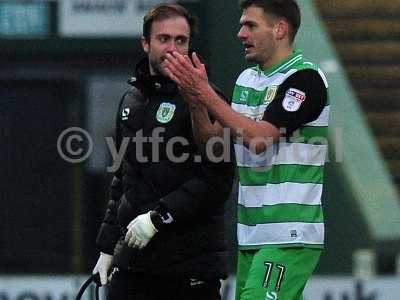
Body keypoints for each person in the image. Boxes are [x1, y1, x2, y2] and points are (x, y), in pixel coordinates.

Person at [164, 0, 329, 299]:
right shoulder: (246, 80)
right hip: (252, 233)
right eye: (241, 24)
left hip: (289, 234)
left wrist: (206, 93)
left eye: (250, 25)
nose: (240, 33)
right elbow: (214, 146)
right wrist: (195, 102)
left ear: (280, 29)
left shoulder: (305, 79)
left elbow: (260, 138)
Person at [91, 4, 234, 300]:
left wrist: (159, 217)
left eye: (180, 41)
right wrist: (107, 248)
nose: (172, 48)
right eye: (164, 39)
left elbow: (216, 180)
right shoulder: (130, 100)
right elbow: (123, 177)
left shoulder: (208, 99)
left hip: (189, 272)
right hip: (132, 267)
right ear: (146, 43)